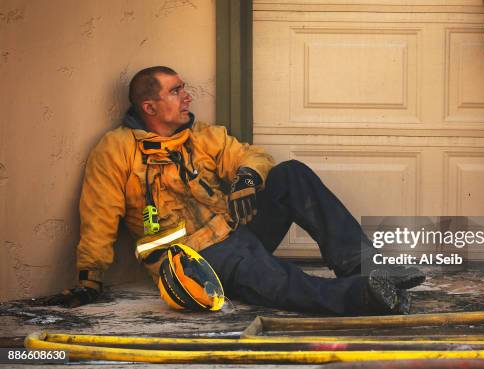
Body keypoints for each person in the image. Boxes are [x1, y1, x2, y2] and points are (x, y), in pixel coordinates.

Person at [43, 66, 424, 314]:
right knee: (277, 280)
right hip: (197, 260)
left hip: (235, 231)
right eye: (176, 91)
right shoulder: (116, 150)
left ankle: (367, 267)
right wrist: (88, 278)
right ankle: (363, 296)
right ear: (150, 106)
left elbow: (252, 155)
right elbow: (99, 215)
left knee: (291, 174)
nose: (187, 96)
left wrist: (247, 177)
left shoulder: (201, 135)